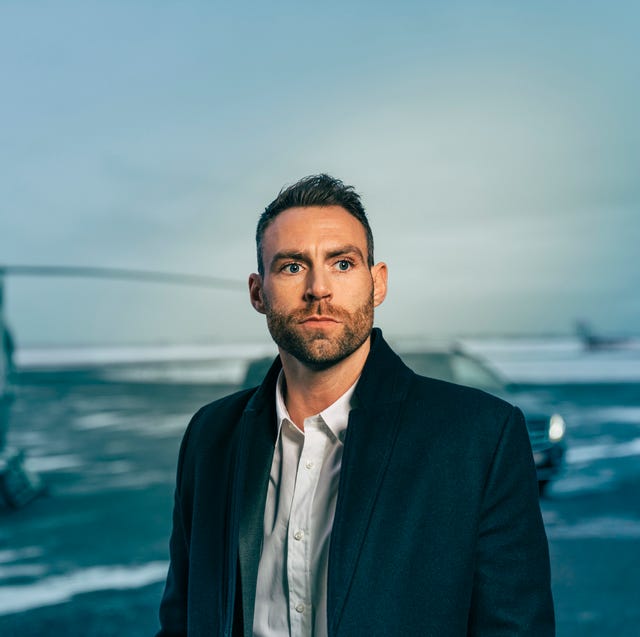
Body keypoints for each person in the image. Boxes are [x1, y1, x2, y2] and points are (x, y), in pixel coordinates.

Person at [156, 174, 555, 636]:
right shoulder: (210, 435)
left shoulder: (480, 435)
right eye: (291, 267)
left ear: (377, 283)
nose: (318, 289)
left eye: (342, 264)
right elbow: (182, 618)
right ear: (257, 293)